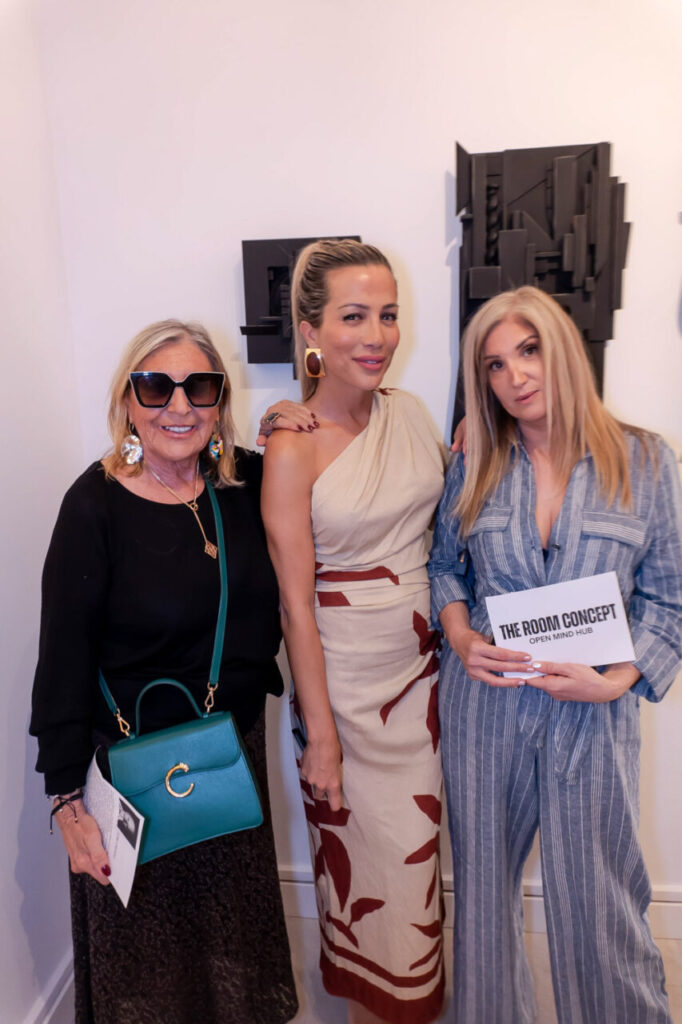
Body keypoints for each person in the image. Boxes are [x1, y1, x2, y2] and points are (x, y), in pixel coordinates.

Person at [30, 319, 317, 1024]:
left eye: (201, 387)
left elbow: (324, 470)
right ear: (129, 400)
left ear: (221, 402)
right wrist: (66, 802)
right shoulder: (93, 504)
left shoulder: (243, 485)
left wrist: (287, 419)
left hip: (225, 763)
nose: (179, 406)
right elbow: (62, 656)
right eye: (157, 387)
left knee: (233, 968)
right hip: (127, 781)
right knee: (148, 985)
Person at [428, 286, 682, 1024]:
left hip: (594, 715)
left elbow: (669, 600)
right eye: (497, 364)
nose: (515, 376)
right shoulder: (476, 460)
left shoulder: (644, 460)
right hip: (487, 707)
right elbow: (446, 567)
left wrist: (617, 683)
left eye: (528, 350)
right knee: (482, 900)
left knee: (600, 901)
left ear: (562, 349)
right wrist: (463, 637)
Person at [261, 240, 447, 1024]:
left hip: (425, 687)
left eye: (390, 315)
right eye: (353, 316)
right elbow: (294, 606)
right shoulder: (290, 445)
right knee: (370, 887)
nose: (377, 335)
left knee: (418, 873)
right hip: (344, 692)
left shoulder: (410, 414)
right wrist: (323, 739)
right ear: (310, 329)